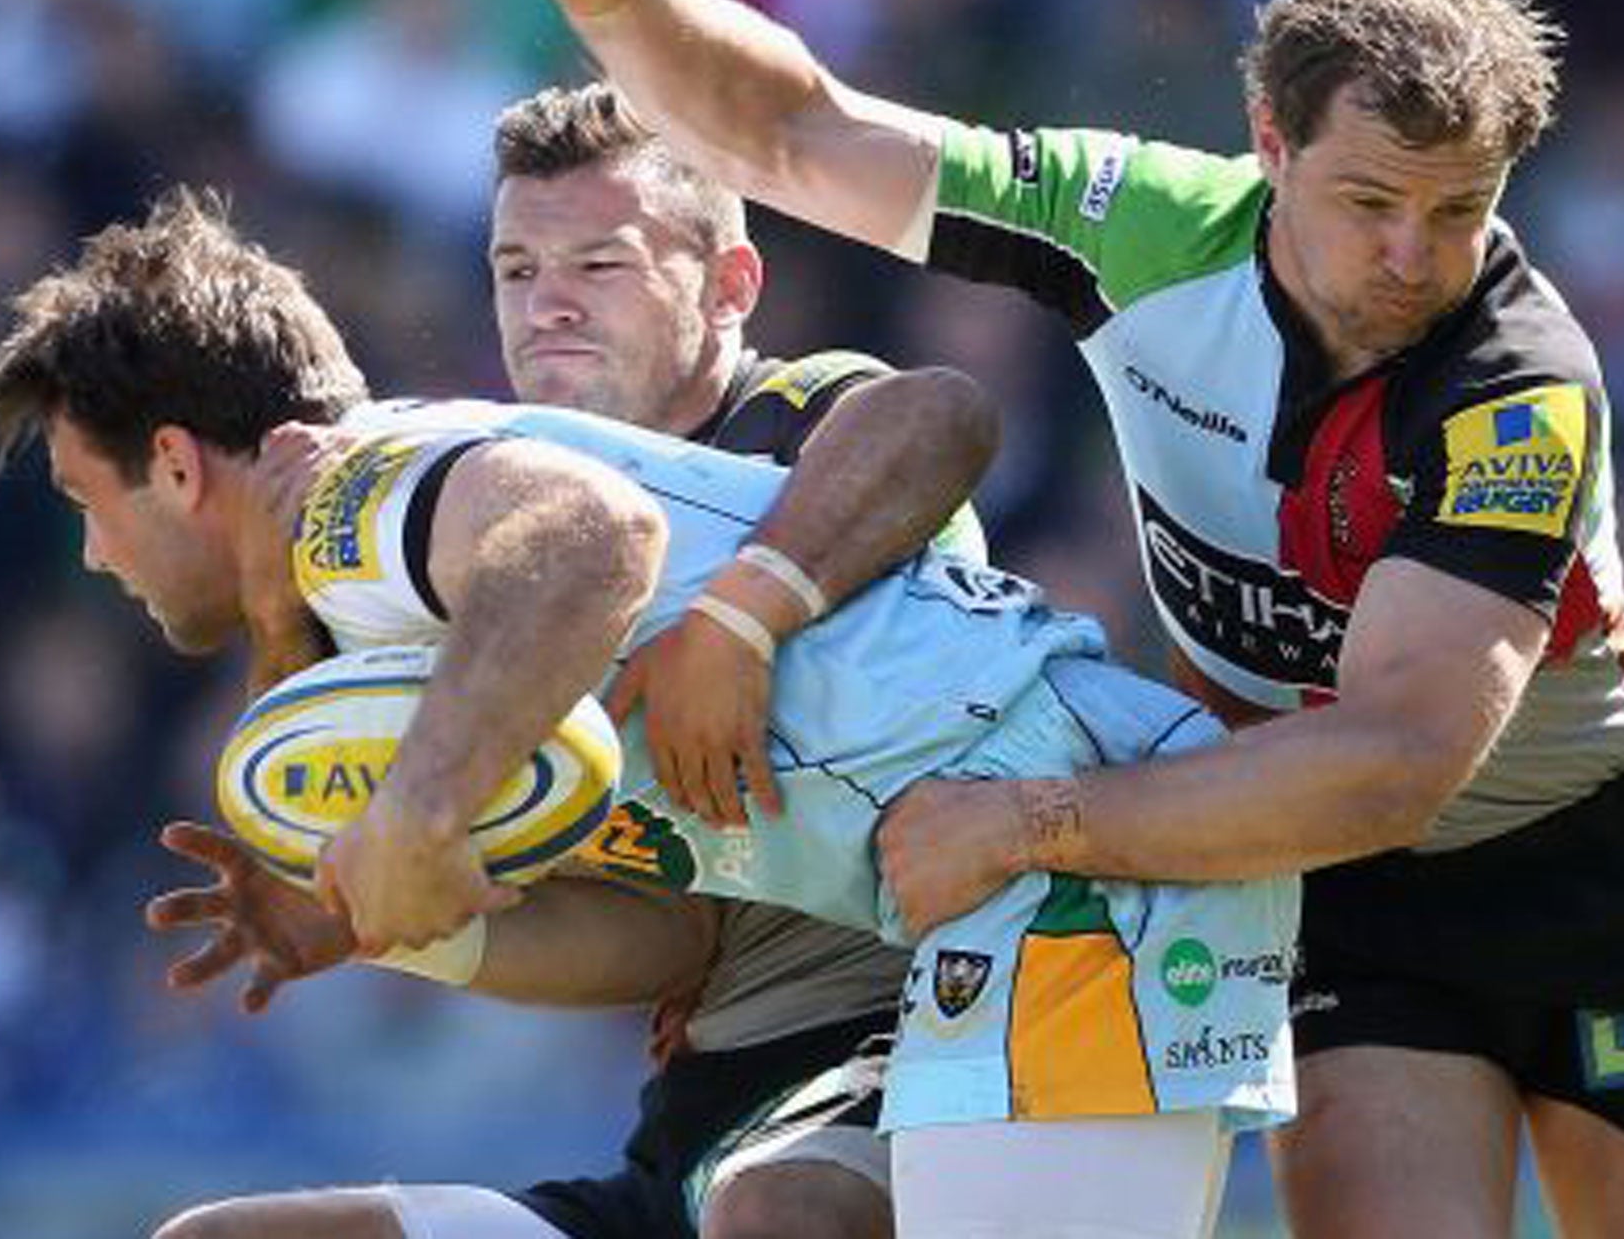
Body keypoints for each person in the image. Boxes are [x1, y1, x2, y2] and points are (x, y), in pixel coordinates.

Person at [435, 0, 1624, 1238]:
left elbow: (1405, 751)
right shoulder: (1137, 229)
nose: (1412, 254)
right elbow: (804, 130)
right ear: (1270, 145)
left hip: (1591, 859)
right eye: (1368, 203)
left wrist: (1031, 825)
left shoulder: (1517, 388)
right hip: (1309, 863)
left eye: (1457, 211)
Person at [0, 192, 1300, 1239]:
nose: (96, 556)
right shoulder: (395, 624)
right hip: (1020, 885)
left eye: (89, 506)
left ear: (175, 465)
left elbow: (594, 537)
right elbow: (666, 925)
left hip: (1093, 864)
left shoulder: (352, 495)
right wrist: (379, 914)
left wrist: (423, 811)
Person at [147, 80, 999, 1239]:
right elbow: (662, 932)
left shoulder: (800, 425)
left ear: (731, 287)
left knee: (779, 1215)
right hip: (701, 1120)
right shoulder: (500, 537)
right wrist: (380, 902)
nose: (545, 305)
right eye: (514, 270)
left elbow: (936, 418)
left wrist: (739, 620)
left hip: (907, 1044)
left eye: (597, 266)